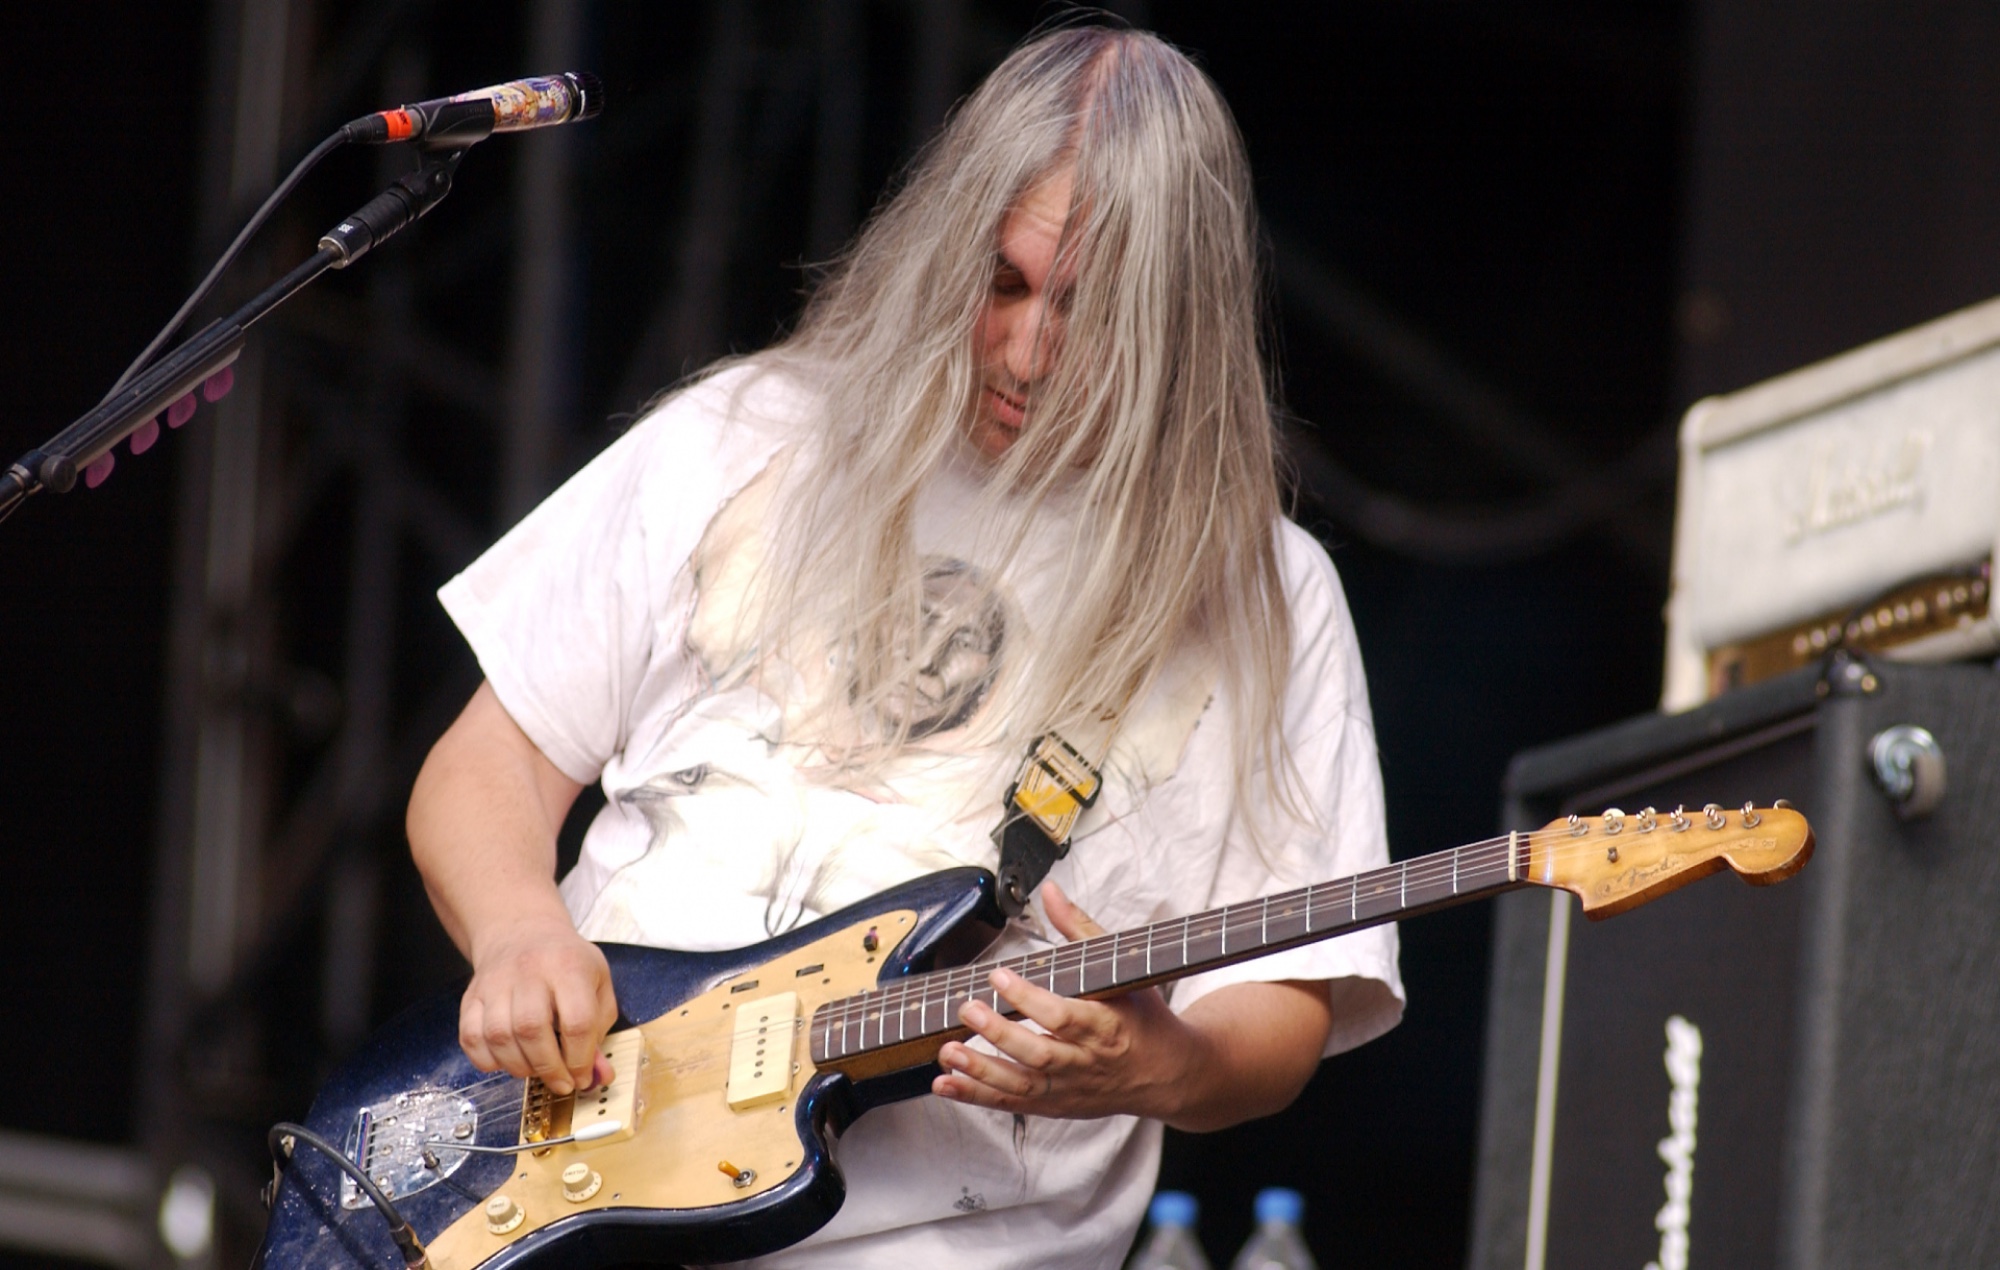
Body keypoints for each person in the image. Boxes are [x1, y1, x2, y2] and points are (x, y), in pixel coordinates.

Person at [407, 24, 1403, 1269]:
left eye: (1086, 311)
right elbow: (486, 767)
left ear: (1176, 320)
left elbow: (1286, 1001)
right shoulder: (745, 431)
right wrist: (518, 935)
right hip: (561, 1202)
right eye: (1001, 283)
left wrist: (1160, 1061)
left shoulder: (1258, 591)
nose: (1028, 352)